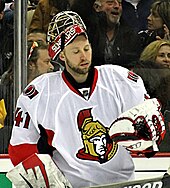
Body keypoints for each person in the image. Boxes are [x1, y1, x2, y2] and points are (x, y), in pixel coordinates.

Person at [8, 11, 164, 187]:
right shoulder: (40, 92)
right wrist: (45, 179)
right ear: (61, 55)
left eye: (86, 48)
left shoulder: (120, 80)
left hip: (121, 184)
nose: (84, 56)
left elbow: (149, 133)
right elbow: (20, 148)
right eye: (75, 51)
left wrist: (146, 139)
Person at [71, 0, 142, 69]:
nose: (117, 6)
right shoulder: (86, 33)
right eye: (110, 2)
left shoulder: (130, 35)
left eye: (120, 3)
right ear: (97, 7)